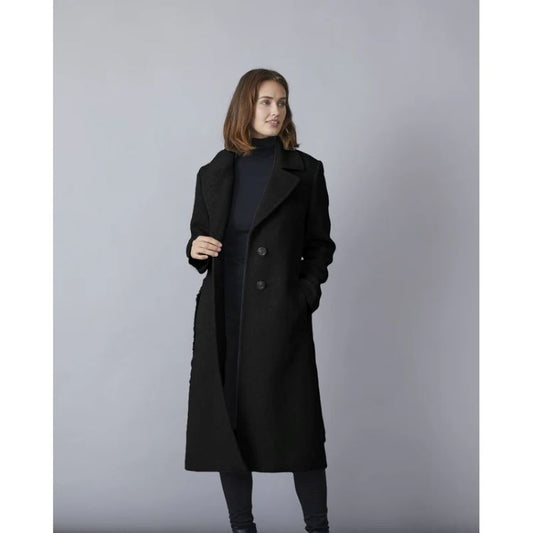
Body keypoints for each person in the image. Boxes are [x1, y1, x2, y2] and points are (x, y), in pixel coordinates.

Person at [185, 68, 336, 533]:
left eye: (281, 103)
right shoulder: (213, 172)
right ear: (245, 107)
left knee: (298, 431)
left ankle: (318, 527)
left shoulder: (305, 171)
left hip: (279, 319)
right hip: (224, 318)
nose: (275, 111)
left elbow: (320, 245)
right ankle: (242, 527)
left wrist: (302, 296)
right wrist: (194, 247)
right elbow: (200, 237)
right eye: (266, 102)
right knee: (228, 431)